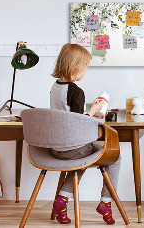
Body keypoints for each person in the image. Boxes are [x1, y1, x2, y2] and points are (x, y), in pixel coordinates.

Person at [50, 43, 120, 225]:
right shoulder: (76, 91)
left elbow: (67, 116)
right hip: (73, 148)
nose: (85, 71)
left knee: (80, 160)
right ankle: (106, 202)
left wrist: (89, 111)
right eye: (86, 67)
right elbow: (77, 123)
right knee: (115, 156)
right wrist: (94, 111)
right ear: (76, 67)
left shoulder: (55, 87)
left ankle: (62, 200)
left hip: (56, 148)